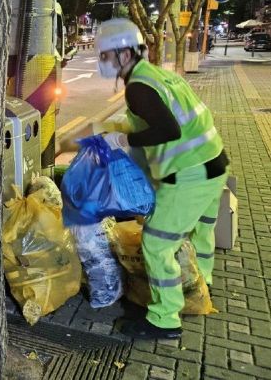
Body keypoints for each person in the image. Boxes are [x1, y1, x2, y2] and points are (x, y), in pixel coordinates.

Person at [72, 18, 229, 340]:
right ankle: (200, 284)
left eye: (105, 56)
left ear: (124, 53)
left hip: (188, 175)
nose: (103, 62)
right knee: (201, 230)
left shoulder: (138, 87)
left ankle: (164, 317)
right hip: (213, 165)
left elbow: (167, 130)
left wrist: (123, 142)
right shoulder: (157, 74)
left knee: (157, 245)